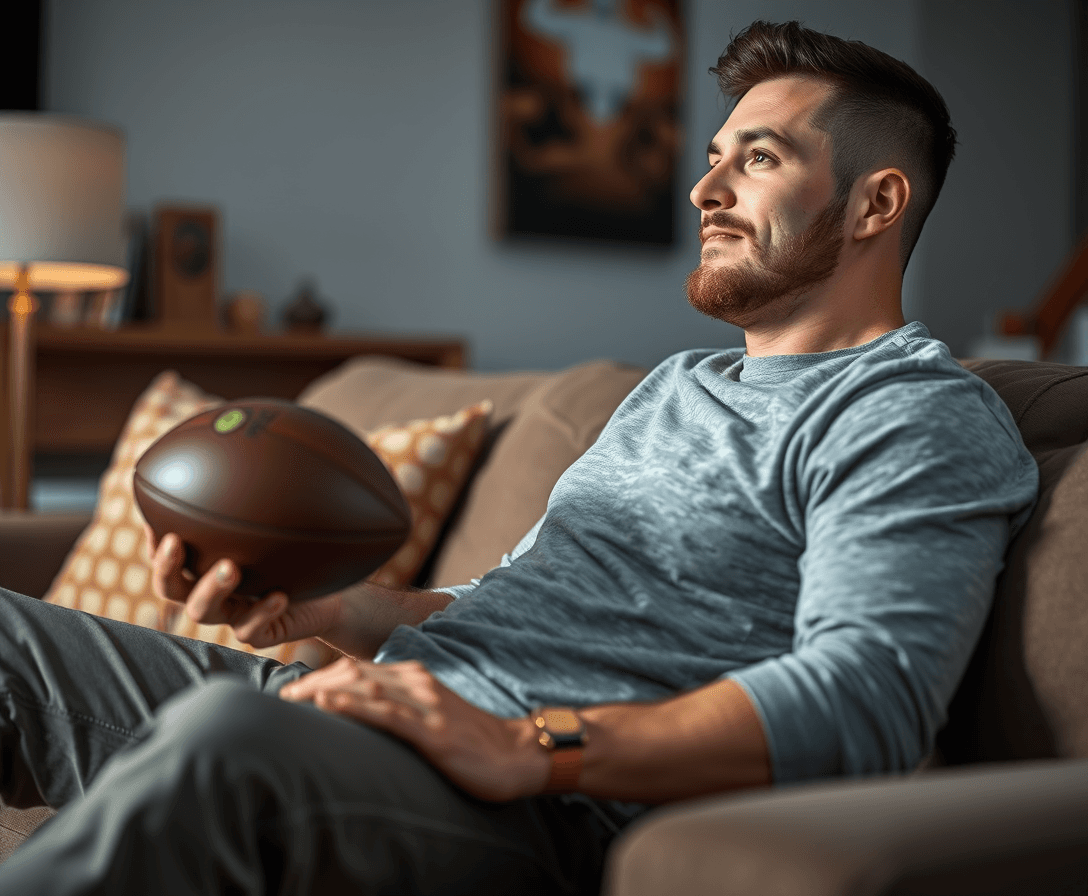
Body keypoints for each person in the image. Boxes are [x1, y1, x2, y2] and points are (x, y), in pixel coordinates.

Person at [0, 20, 1038, 895]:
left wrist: (529, 745)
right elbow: (509, 598)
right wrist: (337, 614)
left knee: (223, 735)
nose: (704, 191)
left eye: (756, 159)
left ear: (875, 204)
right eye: (713, 157)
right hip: (369, 720)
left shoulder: (908, 413)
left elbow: (868, 696)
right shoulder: (674, 387)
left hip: (543, 803)